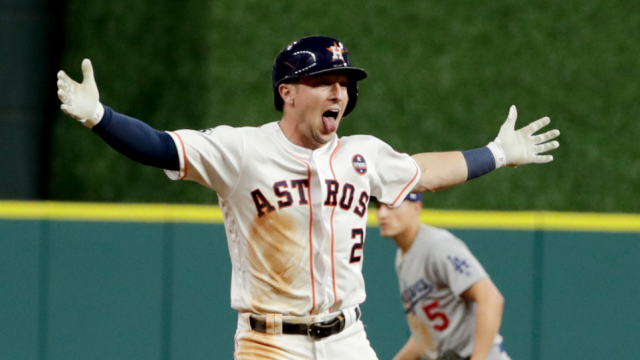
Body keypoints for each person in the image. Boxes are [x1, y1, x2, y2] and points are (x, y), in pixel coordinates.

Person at [56, 35, 558, 360]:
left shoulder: (363, 154)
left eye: (343, 83)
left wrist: (495, 152)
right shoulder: (242, 149)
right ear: (288, 92)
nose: (338, 91)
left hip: (347, 339)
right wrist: (102, 117)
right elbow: (162, 146)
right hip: (269, 342)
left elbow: (424, 171)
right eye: (323, 81)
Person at [375, 193, 510, 360]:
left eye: (391, 205)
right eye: (378, 206)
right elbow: (423, 337)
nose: (381, 213)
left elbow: (490, 299)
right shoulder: (403, 256)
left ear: (416, 207)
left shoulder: (437, 246)